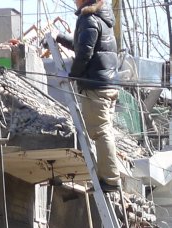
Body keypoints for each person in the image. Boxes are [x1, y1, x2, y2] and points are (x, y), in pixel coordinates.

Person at [70, 0, 122, 192]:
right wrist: (60, 38)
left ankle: (110, 179)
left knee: (100, 131)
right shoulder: (103, 18)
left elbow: (84, 53)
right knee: (104, 130)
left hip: (96, 86)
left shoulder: (89, 18)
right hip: (108, 84)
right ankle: (109, 177)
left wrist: (72, 75)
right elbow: (84, 45)